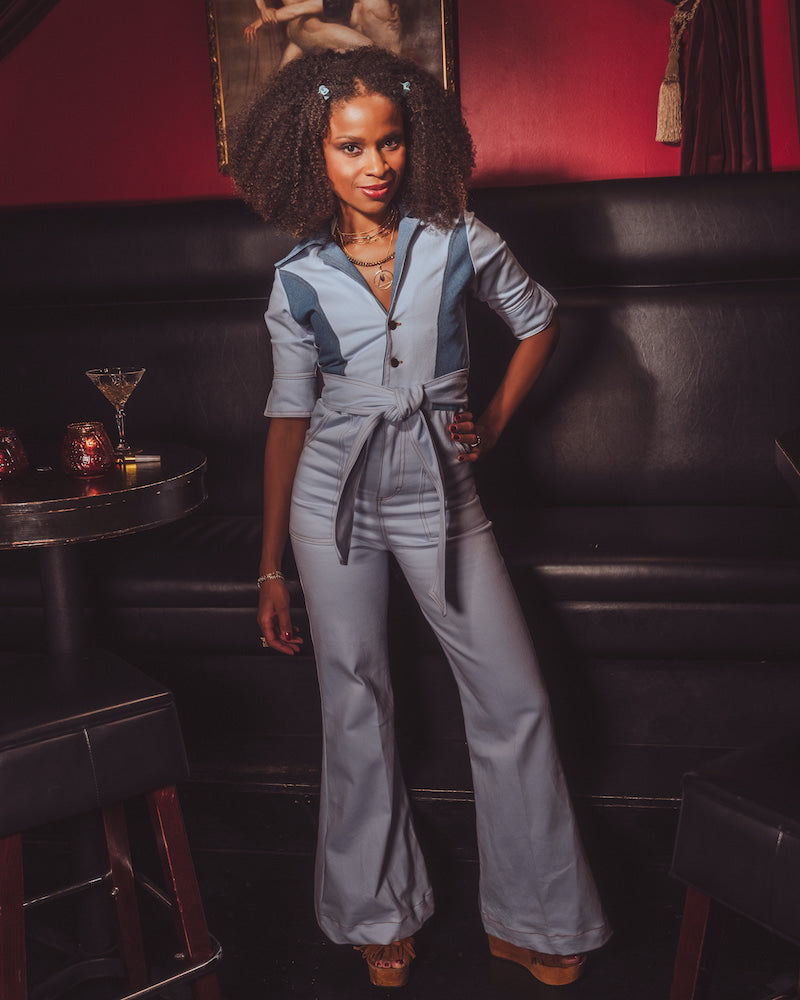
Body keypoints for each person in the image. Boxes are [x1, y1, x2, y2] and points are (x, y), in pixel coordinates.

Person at [228, 45, 612, 989]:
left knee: (514, 698)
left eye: (390, 142)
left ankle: (533, 914)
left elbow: (540, 317)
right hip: (334, 495)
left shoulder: (461, 238)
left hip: (444, 487)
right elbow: (287, 419)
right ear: (313, 157)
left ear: (415, 141)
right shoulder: (296, 280)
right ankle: (375, 913)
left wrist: (492, 420)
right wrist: (270, 562)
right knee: (354, 701)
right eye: (351, 147)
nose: (375, 165)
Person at [244, 0, 401, 66]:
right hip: (301, 25)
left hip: (311, 23)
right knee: (368, 46)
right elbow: (299, 10)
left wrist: (266, 15)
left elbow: (306, 7)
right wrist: (263, 11)